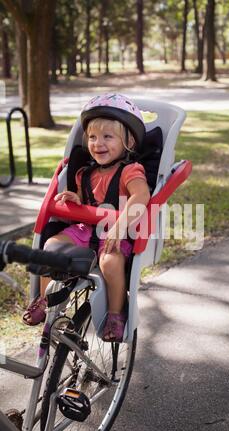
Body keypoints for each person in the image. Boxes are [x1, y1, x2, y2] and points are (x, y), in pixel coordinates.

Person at [23, 93, 150, 342]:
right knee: (50, 247)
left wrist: (120, 225)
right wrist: (75, 199)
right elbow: (86, 200)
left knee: (110, 263)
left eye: (107, 137)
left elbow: (141, 196)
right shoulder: (84, 172)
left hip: (113, 233)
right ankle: (44, 299)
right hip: (84, 229)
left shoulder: (131, 171)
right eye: (92, 137)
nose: (97, 143)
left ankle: (116, 313)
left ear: (129, 142)